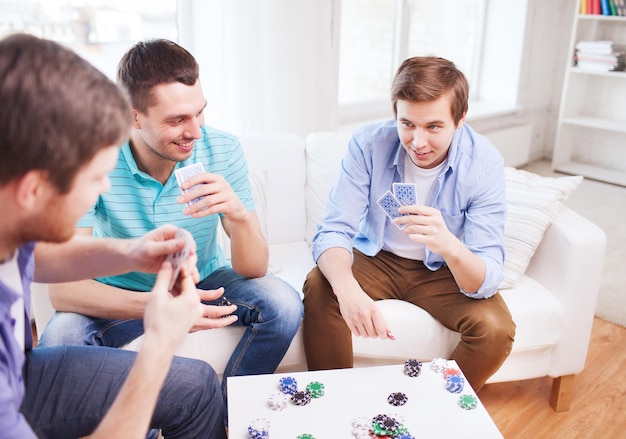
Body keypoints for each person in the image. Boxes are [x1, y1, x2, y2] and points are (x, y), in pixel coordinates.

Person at [37, 39, 303, 394]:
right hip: (121, 288)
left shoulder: (222, 149)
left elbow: (254, 269)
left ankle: (224, 415)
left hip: (204, 279)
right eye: (177, 120)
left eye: (199, 112)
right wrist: (162, 307)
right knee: (60, 338)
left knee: (284, 306)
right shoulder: (91, 159)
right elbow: (63, 290)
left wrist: (239, 216)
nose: (195, 131)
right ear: (134, 115)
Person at [0, 33, 228, 438]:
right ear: (33, 189)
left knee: (197, 387)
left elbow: (37, 256)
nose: (104, 190)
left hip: (24, 373)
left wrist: (133, 252)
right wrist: (158, 342)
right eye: (94, 178)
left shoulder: (11, 214)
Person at [302, 56, 516, 391]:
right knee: (321, 285)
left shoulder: (483, 163)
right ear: (396, 115)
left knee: (495, 329)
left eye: (433, 126)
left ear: (460, 119)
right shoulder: (368, 144)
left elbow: (487, 274)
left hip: (445, 267)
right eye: (407, 124)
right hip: (378, 258)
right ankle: (336, 399)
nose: (417, 142)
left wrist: (448, 243)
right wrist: (348, 291)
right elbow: (334, 230)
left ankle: (425, 407)